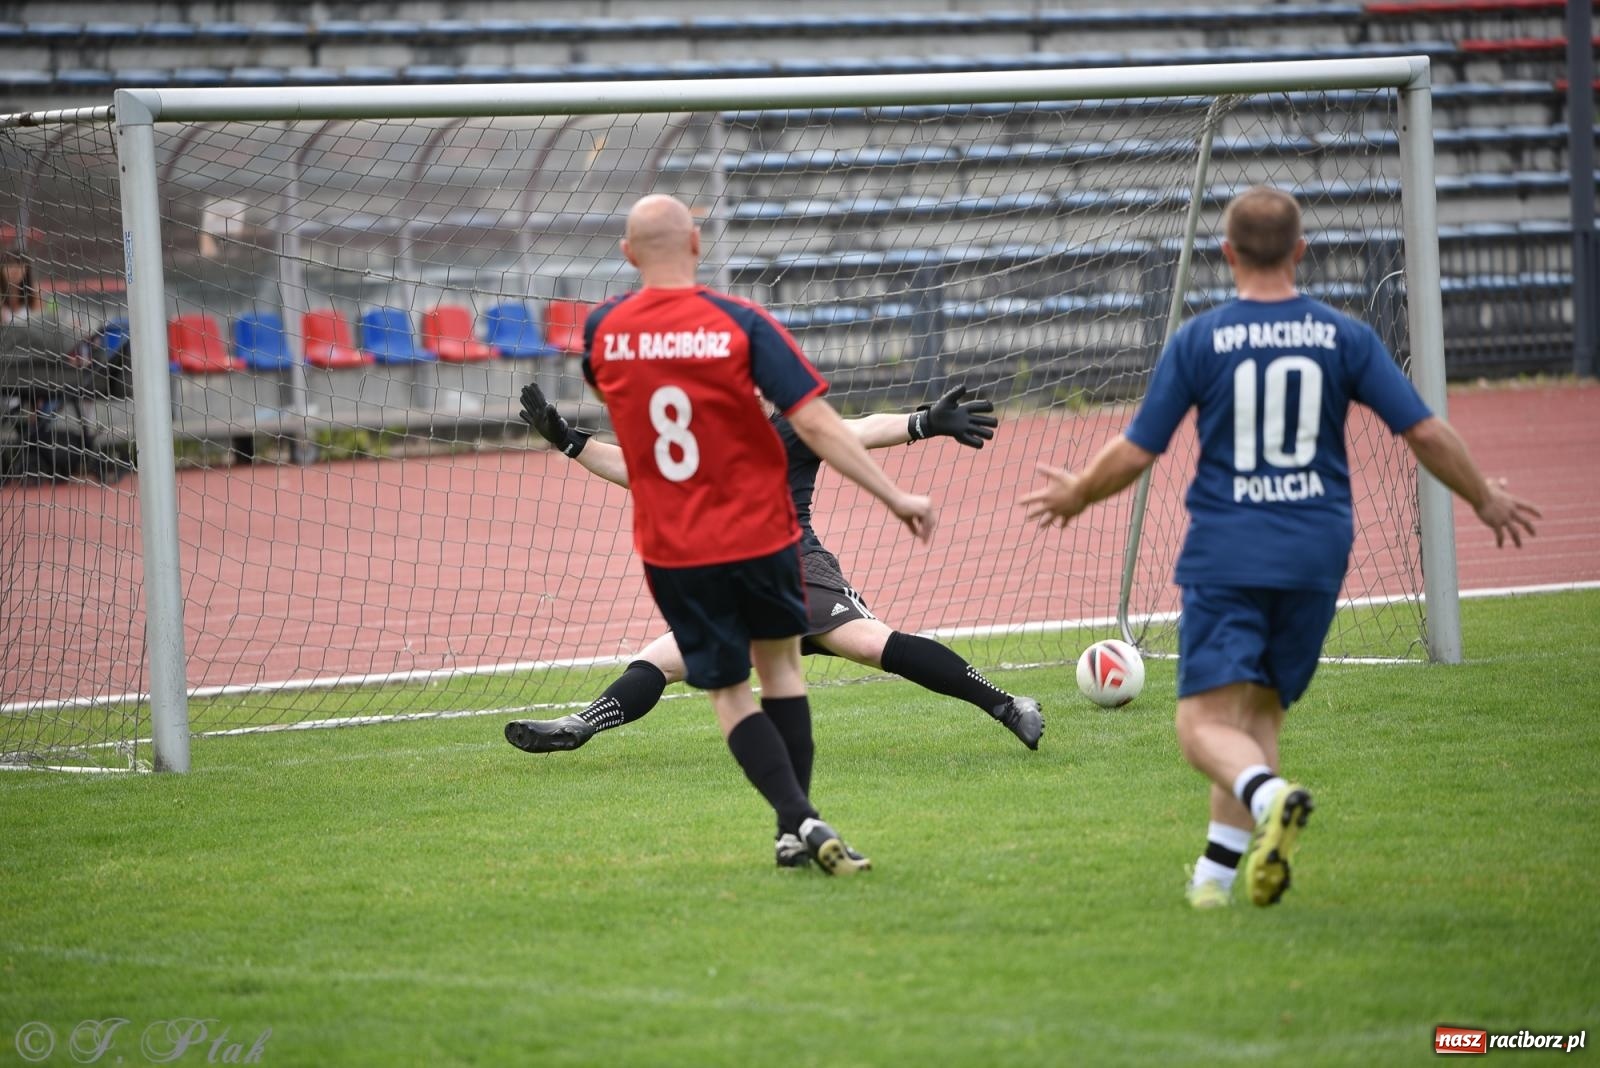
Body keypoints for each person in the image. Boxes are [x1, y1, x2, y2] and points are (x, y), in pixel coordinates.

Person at [1020, 186, 1540, 909]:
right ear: (1300, 251)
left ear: (1226, 254)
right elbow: (1421, 429)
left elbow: (1140, 450)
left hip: (1229, 550)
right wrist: (1483, 496)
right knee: (1259, 714)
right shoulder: (1344, 337)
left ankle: (1270, 798)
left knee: (1202, 725)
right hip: (1317, 551)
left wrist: (1077, 492)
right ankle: (1215, 880)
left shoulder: (1201, 340)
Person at [506, 381, 1044, 864]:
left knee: (876, 645)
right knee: (660, 660)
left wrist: (923, 423)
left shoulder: (793, 427)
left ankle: (1005, 704)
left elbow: (858, 430)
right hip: (739, 582)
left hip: (796, 570)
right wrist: (568, 440)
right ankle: (581, 725)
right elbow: (637, 473)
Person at [562, 193, 935, 876]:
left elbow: (615, 392)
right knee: (783, 673)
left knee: (730, 696)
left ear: (627, 254)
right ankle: (793, 827)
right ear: (697, 246)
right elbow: (818, 424)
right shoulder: (740, 324)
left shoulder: (603, 330)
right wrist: (894, 495)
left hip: (676, 546)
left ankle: (799, 823)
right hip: (762, 535)